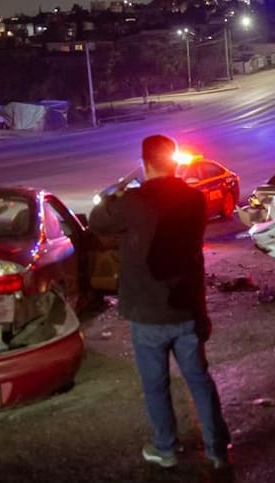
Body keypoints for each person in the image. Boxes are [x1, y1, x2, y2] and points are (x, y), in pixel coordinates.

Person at [89, 135, 231, 470]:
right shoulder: (194, 200)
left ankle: (166, 449)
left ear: (144, 162)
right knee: (199, 379)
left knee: (155, 385)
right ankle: (217, 450)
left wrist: (117, 194)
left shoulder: (133, 201)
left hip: (147, 313)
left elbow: (96, 221)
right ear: (175, 162)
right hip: (186, 308)